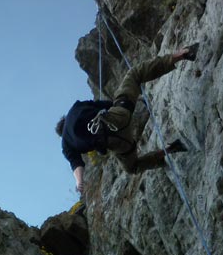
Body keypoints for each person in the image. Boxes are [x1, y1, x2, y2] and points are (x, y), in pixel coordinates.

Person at [56, 44, 199, 194]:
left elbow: (76, 164)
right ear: (64, 119)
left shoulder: (66, 144)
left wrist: (79, 182)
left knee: (132, 167)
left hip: (118, 143)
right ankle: (182, 54)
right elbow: (104, 104)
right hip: (117, 117)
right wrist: (127, 102)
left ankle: (169, 150)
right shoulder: (75, 108)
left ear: (61, 133)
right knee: (134, 74)